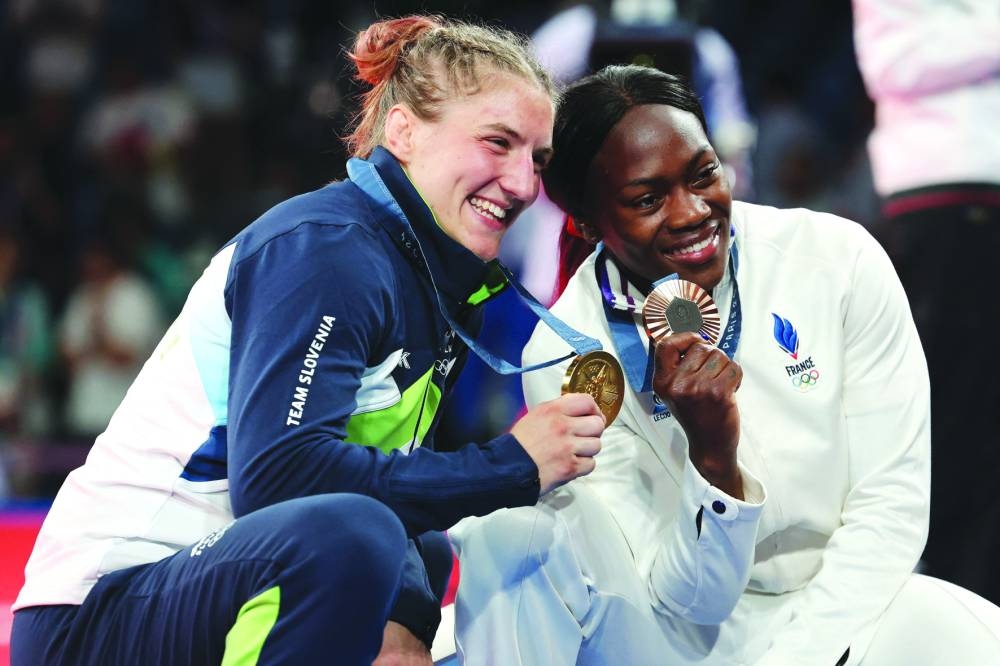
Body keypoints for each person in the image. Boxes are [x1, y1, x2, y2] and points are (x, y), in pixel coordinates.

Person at [10, 16, 606, 666]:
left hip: (202, 590)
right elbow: (279, 477)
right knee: (357, 533)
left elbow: (388, 486)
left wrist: (405, 622)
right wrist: (510, 466)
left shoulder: (439, 279)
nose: (523, 184)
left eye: (537, 160)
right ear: (403, 131)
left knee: (420, 551)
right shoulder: (327, 250)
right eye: (498, 143)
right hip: (96, 618)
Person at [450, 65, 1000, 665]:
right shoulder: (569, 351)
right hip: (679, 636)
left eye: (704, 174)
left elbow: (889, 508)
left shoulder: (836, 260)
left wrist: (797, 656)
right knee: (507, 536)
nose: (691, 214)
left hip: (848, 607)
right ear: (586, 222)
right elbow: (683, 597)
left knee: (967, 635)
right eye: (647, 199)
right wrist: (713, 462)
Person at [852, 0, 1000, 605]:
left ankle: (981, 591)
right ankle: (940, 595)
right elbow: (890, 64)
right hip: (944, 197)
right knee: (955, 415)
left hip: (981, 198)